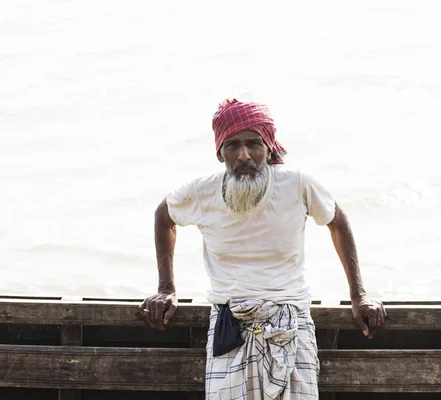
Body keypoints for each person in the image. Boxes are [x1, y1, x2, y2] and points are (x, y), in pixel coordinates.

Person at [140, 98, 386, 399]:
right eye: (233, 145)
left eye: (253, 143)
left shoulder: (296, 185)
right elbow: (163, 218)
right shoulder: (201, 192)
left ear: (269, 147)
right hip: (228, 326)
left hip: (291, 322)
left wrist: (358, 296)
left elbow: (338, 223)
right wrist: (166, 288)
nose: (244, 155)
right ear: (220, 153)